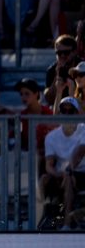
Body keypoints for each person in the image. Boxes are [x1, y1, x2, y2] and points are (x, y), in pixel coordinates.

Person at [40, 97, 85, 229]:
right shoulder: (52, 136)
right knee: (43, 180)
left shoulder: (84, 130)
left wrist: (69, 170)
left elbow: (80, 151)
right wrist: (59, 174)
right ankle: (41, 217)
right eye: (63, 111)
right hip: (61, 175)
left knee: (70, 178)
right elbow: (49, 165)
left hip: (81, 173)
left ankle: (66, 224)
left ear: (77, 114)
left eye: (71, 111)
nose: (67, 114)